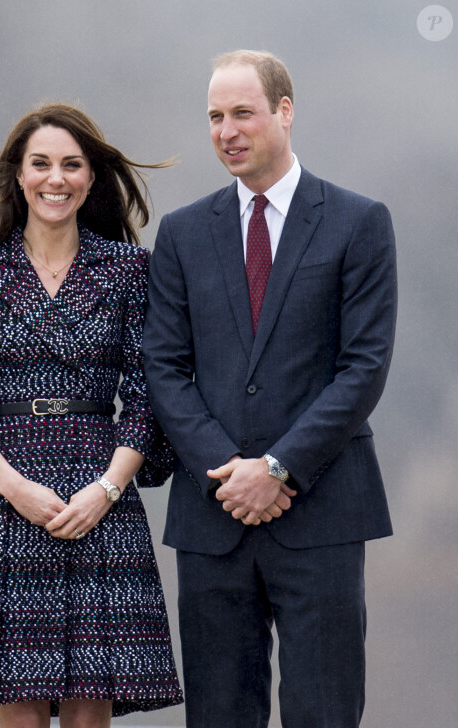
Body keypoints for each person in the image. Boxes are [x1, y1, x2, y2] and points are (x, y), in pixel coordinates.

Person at [143, 50, 397, 728]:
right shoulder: (182, 234)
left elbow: (364, 367)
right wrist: (229, 473)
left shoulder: (358, 222)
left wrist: (278, 468)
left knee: (324, 712)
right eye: (215, 117)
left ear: (285, 112)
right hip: (211, 516)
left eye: (242, 113)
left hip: (323, 515)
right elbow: (164, 368)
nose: (227, 130)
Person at [0, 103, 183, 727]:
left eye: (71, 164)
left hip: (101, 494)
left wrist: (107, 489)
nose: (55, 178)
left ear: (92, 178)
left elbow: (149, 398)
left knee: (91, 712)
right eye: (41, 164)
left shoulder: (127, 270)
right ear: (18, 174)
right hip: (2, 497)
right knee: (20, 708)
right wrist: (16, 490)